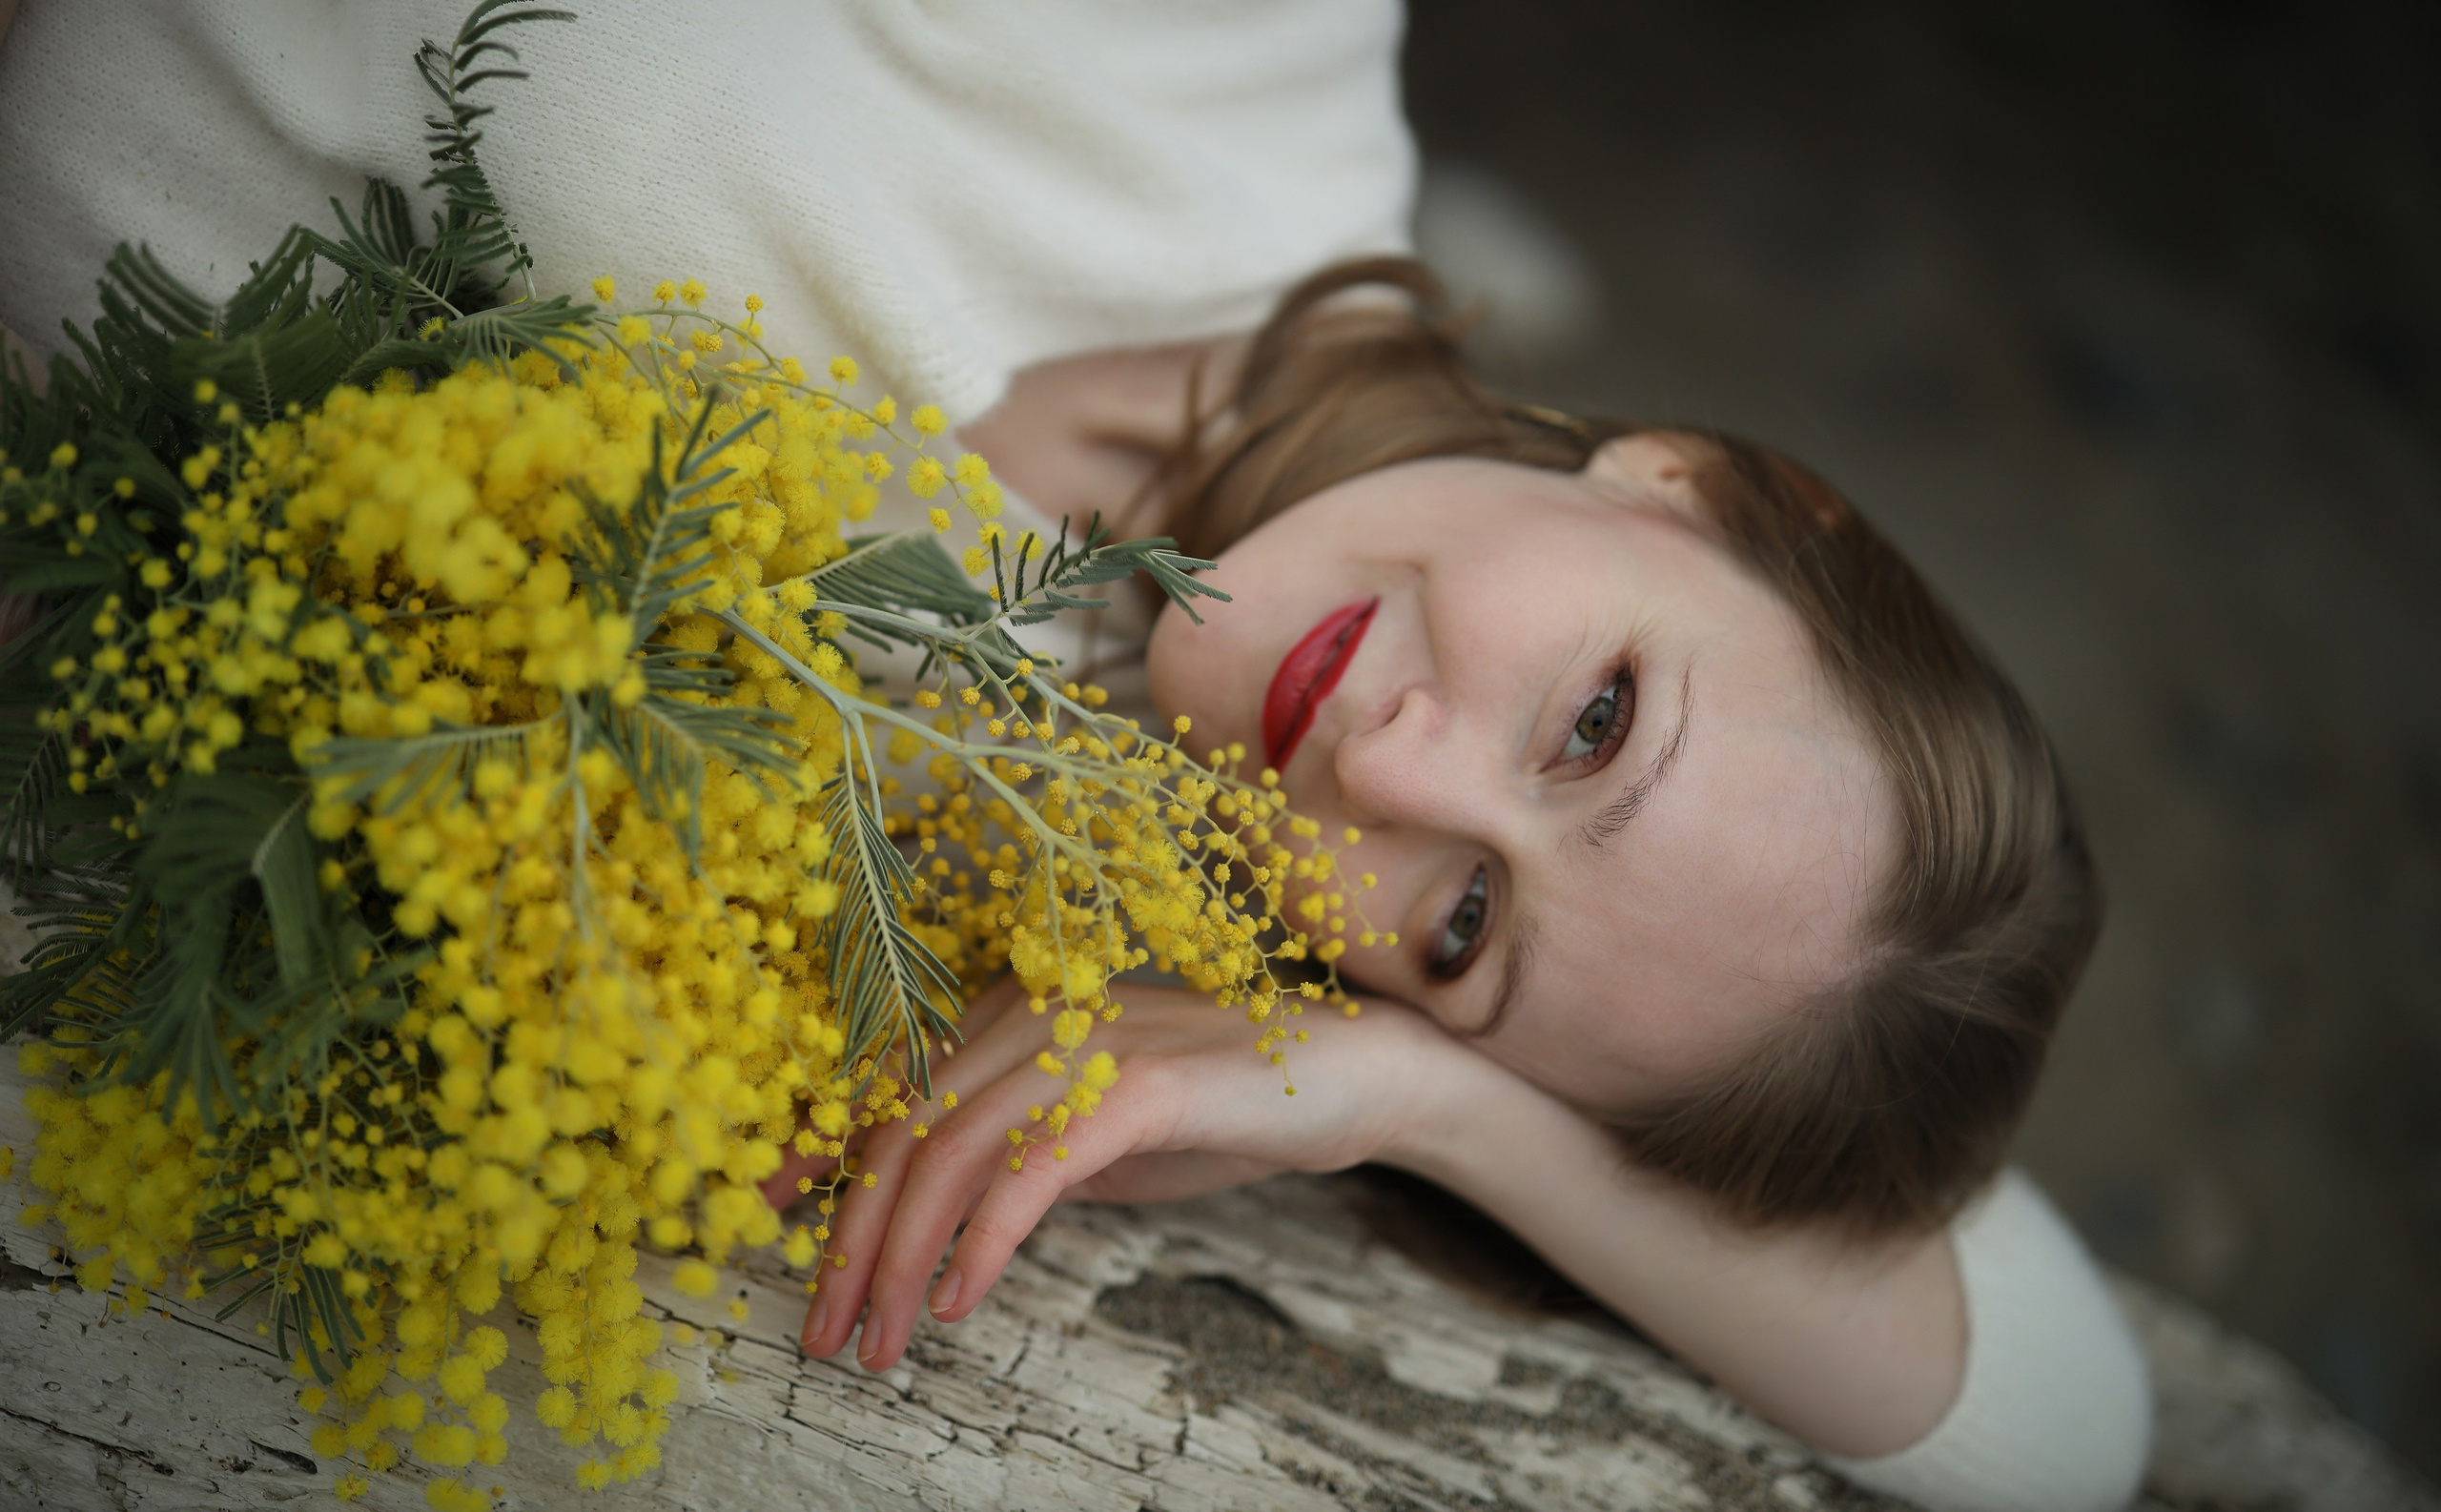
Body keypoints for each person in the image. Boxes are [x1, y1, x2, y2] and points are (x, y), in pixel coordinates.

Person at [0, 4, 2149, 1508]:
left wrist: (1427, 1108)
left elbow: (2060, 1422)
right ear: (1690, 485)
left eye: (1463, 925)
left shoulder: (917, 812)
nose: (1403, 778)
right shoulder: (1237, 66)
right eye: (1594, 718)